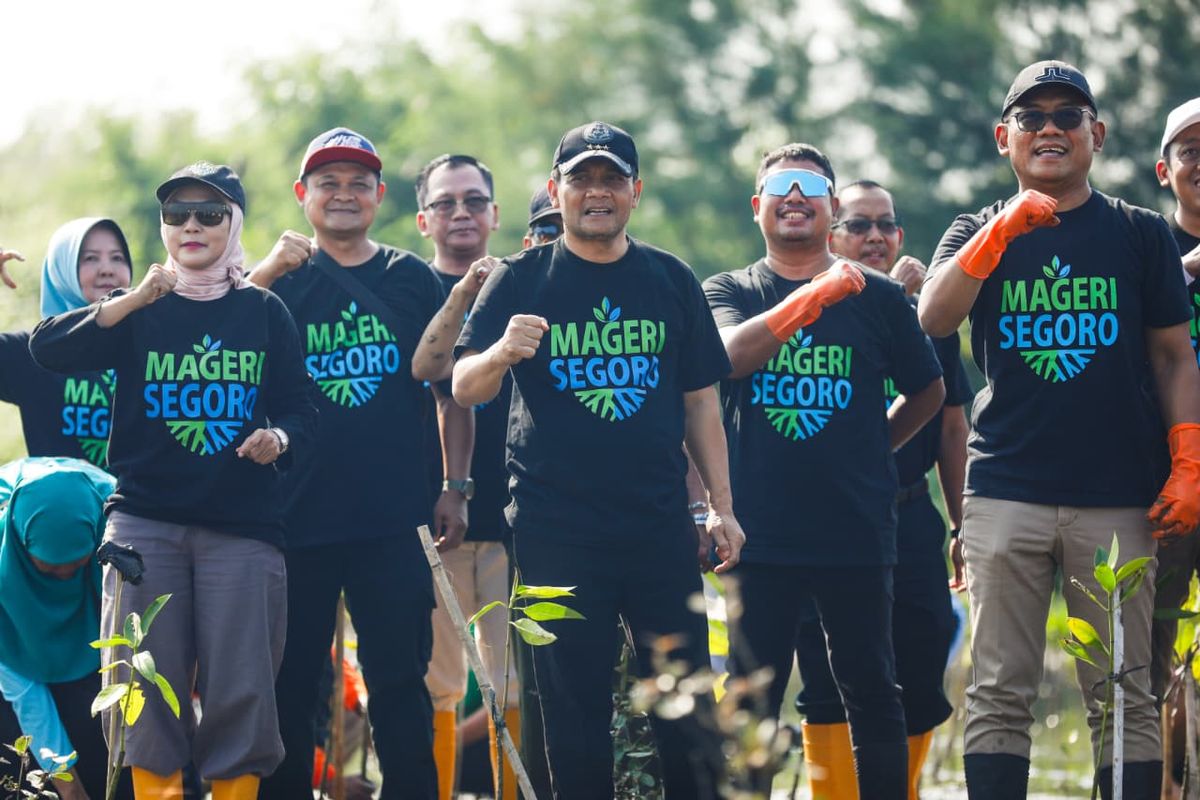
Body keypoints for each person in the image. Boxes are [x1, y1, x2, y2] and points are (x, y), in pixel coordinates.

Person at [918, 61, 1200, 798]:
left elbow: (1174, 355)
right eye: (1031, 116)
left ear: (1096, 135)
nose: (1050, 127)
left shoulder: (1140, 234)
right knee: (999, 689)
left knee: (1122, 690)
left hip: (1119, 495)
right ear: (1002, 137)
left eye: (1068, 116)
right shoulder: (974, 228)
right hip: (1006, 488)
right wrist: (1001, 231)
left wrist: (1188, 461)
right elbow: (934, 317)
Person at [453, 121, 744, 800]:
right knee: (571, 713)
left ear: (635, 192)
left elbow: (702, 402)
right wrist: (500, 352)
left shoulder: (670, 278)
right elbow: (463, 385)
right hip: (557, 532)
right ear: (556, 192)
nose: (596, 192)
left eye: (612, 178)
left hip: (658, 528)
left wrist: (721, 509)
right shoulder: (522, 278)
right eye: (581, 178)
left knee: (686, 707)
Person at [29, 162, 317, 800]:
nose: (191, 225)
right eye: (176, 215)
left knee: (242, 689)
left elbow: (302, 407)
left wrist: (282, 438)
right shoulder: (138, 312)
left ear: (233, 223)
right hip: (144, 527)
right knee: (139, 689)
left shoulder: (264, 312)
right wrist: (130, 301)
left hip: (243, 531)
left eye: (209, 214)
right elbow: (47, 350)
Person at [703, 144, 945, 798]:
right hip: (758, 535)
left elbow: (928, 390)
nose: (794, 196)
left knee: (872, 688)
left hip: (856, 528)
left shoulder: (880, 299)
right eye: (779, 186)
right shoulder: (730, 290)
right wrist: (812, 297)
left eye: (810, 186)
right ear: (758, 207)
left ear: (831, 208)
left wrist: (875, 448)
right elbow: (728, 360)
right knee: (752, 696)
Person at [249, 128, 446, 800]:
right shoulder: (278, 284)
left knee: (398, 681)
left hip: (392, 518)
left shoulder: (409, 277)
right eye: (327, 182)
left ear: (379, 197)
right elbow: (220, 343)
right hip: (295, 515)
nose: (343, 194)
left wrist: (453, 485)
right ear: (303, 196)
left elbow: (444, 381)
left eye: (358, 182)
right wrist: (268, 269)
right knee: (291, 682)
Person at [784, 179, 970, 798]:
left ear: (899, 238)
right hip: (823, 521)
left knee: (918, 672)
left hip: (910, 515)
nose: (873, 237)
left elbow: (949, 423)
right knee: (829, 678)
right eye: (858, 225)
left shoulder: (929, 312)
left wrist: (962, 522)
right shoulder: (804, 306)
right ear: (831, 233)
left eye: (886, 226)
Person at [409, 152, 516, 800]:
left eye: (474, 201)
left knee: (514, 684)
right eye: (445, 203)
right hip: (429, 523)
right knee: (438, 683)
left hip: (518, 517)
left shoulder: (528, 284)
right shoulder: (403, 288)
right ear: (423, 219)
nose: (461, 213)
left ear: (495, 214)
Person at [0, 457, 131, 800]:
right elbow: (27, 697)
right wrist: (69, 788)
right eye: (50, 569)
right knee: (18, 762)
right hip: (17, 651)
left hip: (96, 626)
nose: (63, 578)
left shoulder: (120, 528)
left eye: (75, 567)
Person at [1150, 96, 1200, 788]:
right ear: (1165, 169)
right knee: (1149, 656)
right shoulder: (1142, 247)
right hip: (1162, 486)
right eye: (1191, 150)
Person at [0, 219, 132, 465]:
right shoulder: (31, 351)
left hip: (137, 502)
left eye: (117, 258)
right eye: (90, 258)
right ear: (61, 270)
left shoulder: (148, 343)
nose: (107, 269)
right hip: (58, 500)